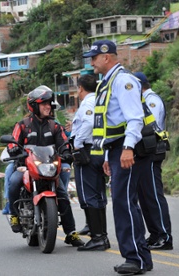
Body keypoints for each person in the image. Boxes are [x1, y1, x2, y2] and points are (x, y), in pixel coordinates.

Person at [83, 40, 153, 274]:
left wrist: (127, 148)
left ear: (107, 57)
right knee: (125, 203)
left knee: (124, 203)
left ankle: (134, 258)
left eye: (94, 57)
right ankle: (140, 257)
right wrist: (106, 155)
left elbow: (134, 119)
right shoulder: (107, 82)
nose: (91, 61)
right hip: (114, 150)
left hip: (124, 149)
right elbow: (106, 124)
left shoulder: (123, 81)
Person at [7, 85, 84, 247]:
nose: (48, 106)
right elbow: (12, 142)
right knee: (14, 182)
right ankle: (14, 215)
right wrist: (13, 149)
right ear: (34, 106)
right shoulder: (22, 125)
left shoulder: (54, 126)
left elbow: (63, 142)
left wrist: (67, 152)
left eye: (49, 103)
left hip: (48, 167)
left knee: (62, 193)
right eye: (44, 104)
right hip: (25, 167)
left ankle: (71, 232)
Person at [70, 74, 110, 251]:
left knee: (88, 195)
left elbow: (87, 123)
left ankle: (97, 237)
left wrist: (77, 144)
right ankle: (103, 235)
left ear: (80, 88)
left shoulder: (87, 103)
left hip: (87, 151)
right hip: (100, 150)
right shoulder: (100, 100)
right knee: (99, 195)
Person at [133, 72, 173, 250]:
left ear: (140, 85)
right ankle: (155, 234)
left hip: (152, 150)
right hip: (143, 152)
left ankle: (164, 235)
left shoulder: (151, 100)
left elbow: (150, 126)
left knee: (153, 195)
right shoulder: (143, 100)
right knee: (145, 195)